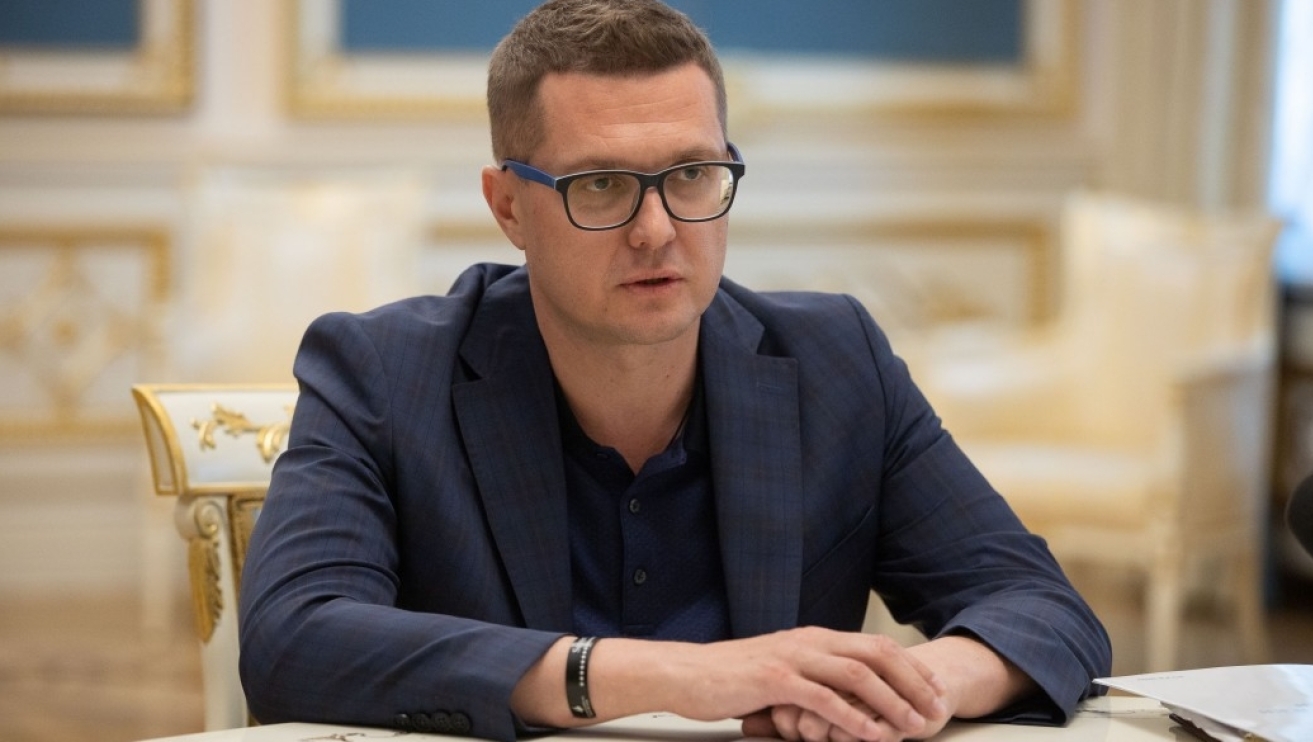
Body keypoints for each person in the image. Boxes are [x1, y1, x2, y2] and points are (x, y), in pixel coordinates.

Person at [238, 1, 1111, 741]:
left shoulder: (836, 362)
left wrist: (906, 688)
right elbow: (292, 640)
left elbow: (1041, 609)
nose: (656, 230)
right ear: (508, 207)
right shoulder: (381, 374)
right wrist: (672, 677)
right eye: (601, 185)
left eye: (692, 174)